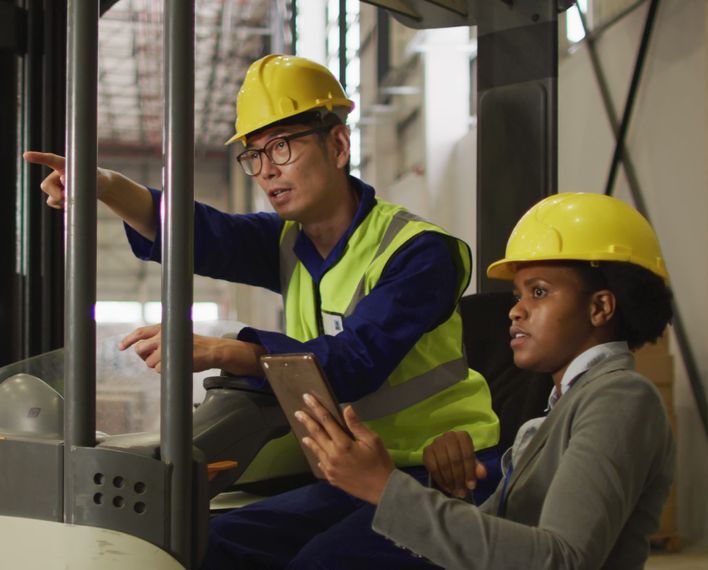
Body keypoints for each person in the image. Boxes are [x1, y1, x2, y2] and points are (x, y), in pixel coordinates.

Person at [25, 54, 500, 569]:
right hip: (348, 472)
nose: (267, 170)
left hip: (445, 469)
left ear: (338, 145)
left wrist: (233, 352)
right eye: (253, 156)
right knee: (211, 542)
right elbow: (204, 234)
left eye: (282, 146)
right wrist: (107, 187)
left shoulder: (418, 252)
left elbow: (356, 361)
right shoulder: (290, 241)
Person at [296, 192, 676, 569]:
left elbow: (562, 559)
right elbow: (507, 545)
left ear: (600, 308)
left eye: (539, 292)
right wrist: (454, 494)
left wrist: (383, 486)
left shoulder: (620, 396)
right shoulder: (565, 405)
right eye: (518, 294)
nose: (516, 311)